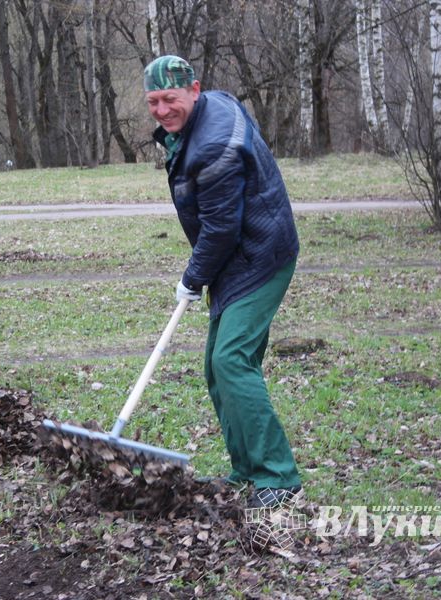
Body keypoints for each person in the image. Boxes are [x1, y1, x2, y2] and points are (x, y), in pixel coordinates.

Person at [143, 55, 302, 509]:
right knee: (218, 365)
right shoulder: (211, 107)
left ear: (194, 90)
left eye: (169, 99)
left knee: (232, 359)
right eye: (153, 102)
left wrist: (192, 278)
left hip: (260, 257)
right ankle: (247, 469)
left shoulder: (212, 146)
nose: (161, 110)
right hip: (238, 257)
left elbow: (220, 229)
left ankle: (279, 479)